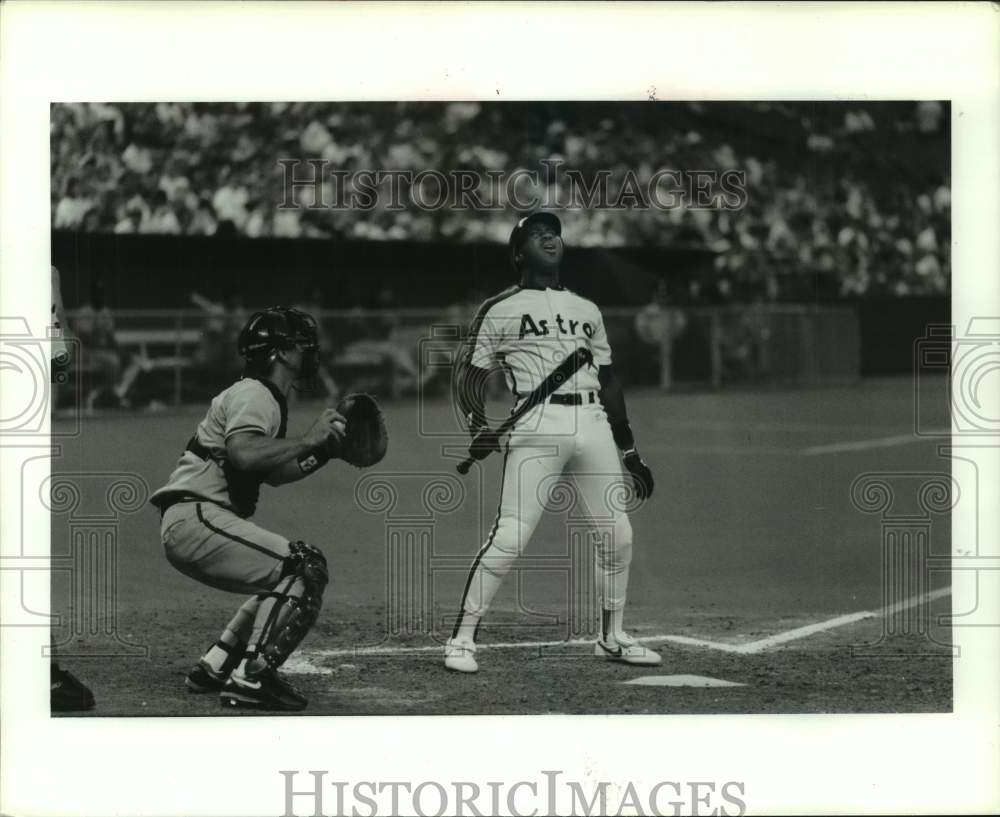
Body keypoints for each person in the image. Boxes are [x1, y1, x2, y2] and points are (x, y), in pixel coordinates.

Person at [444, 212, 661, 673]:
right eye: (537, 234)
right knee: (511, 535)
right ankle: (462, 638)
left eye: (555, 233)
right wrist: (476, 425)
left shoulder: (588, 309)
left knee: (617, 534)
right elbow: (470, 374)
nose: (550, 237)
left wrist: (629, 451)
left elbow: (608, 382)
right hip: (537, 423)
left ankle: (612, 636)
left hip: (592, 420)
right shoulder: (499, 308)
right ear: (518, 253)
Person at [149, 307, 347, 711]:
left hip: (196, 520)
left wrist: (322, 453)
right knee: (303, 570)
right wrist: (311, 439)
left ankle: (217, 663)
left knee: (281, 575)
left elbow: (271, 471)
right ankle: (252, 677)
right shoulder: (255, 393)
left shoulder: (262, 396)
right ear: (279, 353)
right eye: (300, 342)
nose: (309, 349)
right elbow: (243, 455)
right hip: (198, 517)